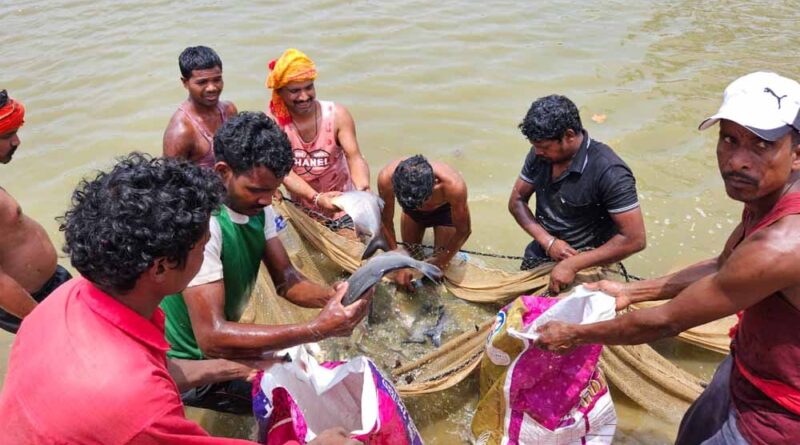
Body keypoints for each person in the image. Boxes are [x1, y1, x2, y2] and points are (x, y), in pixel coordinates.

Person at [535, 72, 800, 445]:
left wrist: (575, 335)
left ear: (797, 155)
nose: (738, 160)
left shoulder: (783, 245)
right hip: (745, 365)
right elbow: (725, 264)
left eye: (761, 145)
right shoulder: (764, 199)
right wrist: (631, 292)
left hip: (778, 414)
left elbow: (664, 323)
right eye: (729, 139)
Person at [160, 111, 373, 414]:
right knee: (299, 406)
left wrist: (336, 298)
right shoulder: (206, 227)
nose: (266, 200)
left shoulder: (260, 208)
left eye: (272, 191)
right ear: (222, 172)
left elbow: (288, 281)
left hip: (221, 342)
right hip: (192, 365)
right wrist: (316, 328)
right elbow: (212, 338)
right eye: (257, 190)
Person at [508, 95, 646, 293]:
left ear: (570, 135)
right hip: (541, 252)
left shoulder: (609, 171)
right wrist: (549, 242)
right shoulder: (540, 154)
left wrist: (573, 264)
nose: (537, 152)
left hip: (590, 266)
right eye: (535, 146)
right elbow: (517, 201)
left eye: (544, 147)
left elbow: (635, 239)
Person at [265, 48, 370, 222]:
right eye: (294, 91)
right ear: (280, 92)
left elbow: (354, 157)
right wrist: (317, 198)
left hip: (343, 202)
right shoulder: (273, 124)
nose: (304, 96)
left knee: (353, 246)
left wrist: (363, 189)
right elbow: (284, 172)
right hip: (304, 208)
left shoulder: (337, 115)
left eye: (309, 87)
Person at [0, 89, 71, 334]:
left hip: (51, 285)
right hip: (32, 303)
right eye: (7, 135)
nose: (16, 142)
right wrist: (41, 320)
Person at [377, 155, 471, 290]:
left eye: (424, 202)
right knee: (410, 257)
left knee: (436, 274)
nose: (421, 207)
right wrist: (398, 261)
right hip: (411, 213)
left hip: (443, 213)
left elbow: (464, 230)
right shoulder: (386, 179)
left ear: (434, 183)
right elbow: (386, 220)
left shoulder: (453, 186)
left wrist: (442, 261)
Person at [164, 46, 238, 168]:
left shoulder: (229, 110)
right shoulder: (181, 132)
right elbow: (170, 182)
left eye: (217, 79)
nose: (212, 88)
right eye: (202, 82)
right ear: (185, 83)